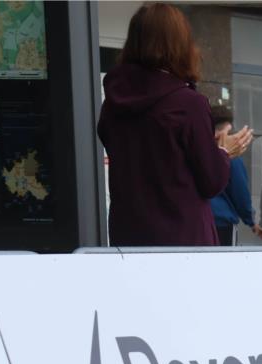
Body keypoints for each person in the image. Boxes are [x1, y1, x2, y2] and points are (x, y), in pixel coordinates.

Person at [96, 3, 252, 246]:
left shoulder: (113, 104)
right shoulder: (188, 104)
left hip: (127, 240)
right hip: (183, 243)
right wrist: (223, 152)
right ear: (179, 44)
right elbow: (210, 181)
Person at [209, 105, 262, 245]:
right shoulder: (231, 157)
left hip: (200, 222)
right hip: (223, 224)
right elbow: (240, 192)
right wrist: (252, 221)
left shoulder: (199, 151)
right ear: (224, 131)